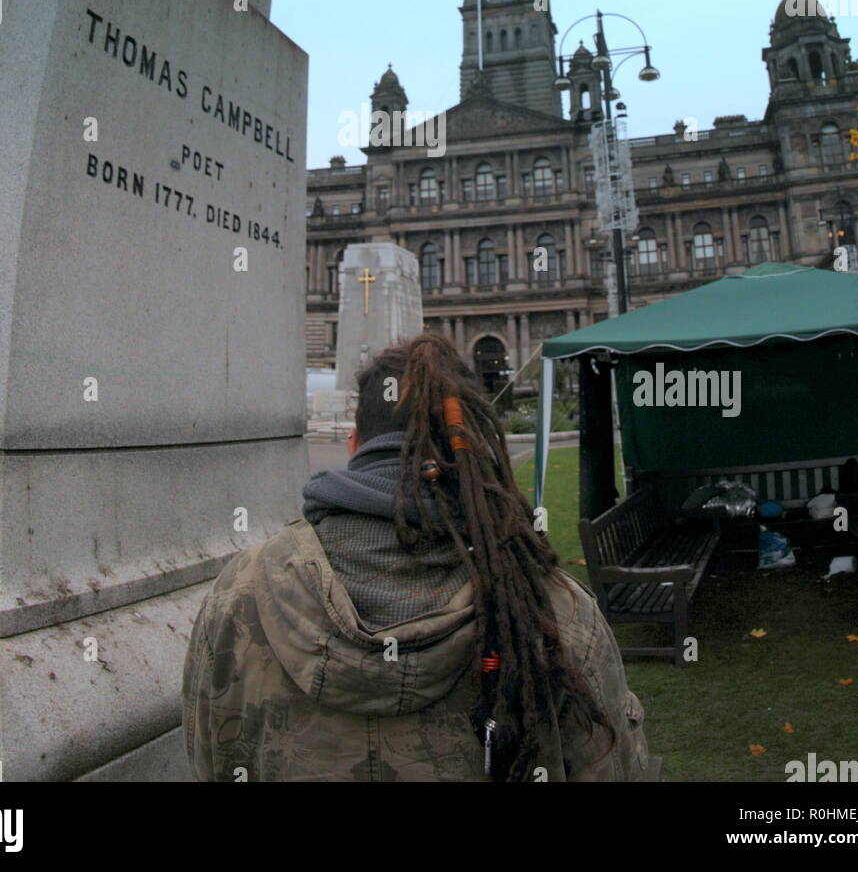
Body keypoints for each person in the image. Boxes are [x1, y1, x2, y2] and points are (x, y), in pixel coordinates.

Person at [183, 332, 653, 782]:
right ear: (473, 447)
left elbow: (210, 758)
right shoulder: (553, 610)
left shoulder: (238, 594)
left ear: (352, 445)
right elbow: (610, 767)